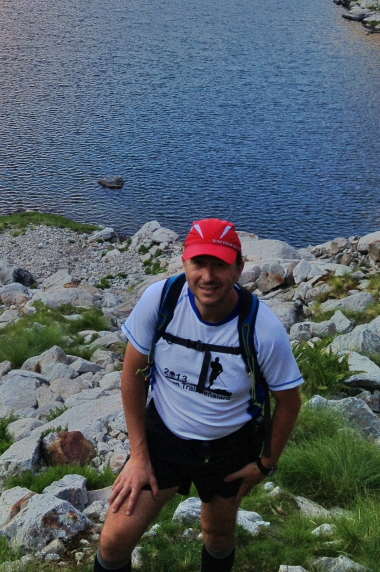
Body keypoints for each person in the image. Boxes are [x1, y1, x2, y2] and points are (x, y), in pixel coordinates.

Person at [95, 218, 303, 572]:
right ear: (184, 263)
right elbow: (132, 375)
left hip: (228, 446)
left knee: (218, 536)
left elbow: (289, 400)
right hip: (164, 437)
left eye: (219, 264)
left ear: (238, 268)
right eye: (199, 263)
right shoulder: (160, 300)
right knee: (114, 540)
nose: (208, 276)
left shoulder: (262, 328)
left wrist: (266, 464)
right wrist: (139, 457)